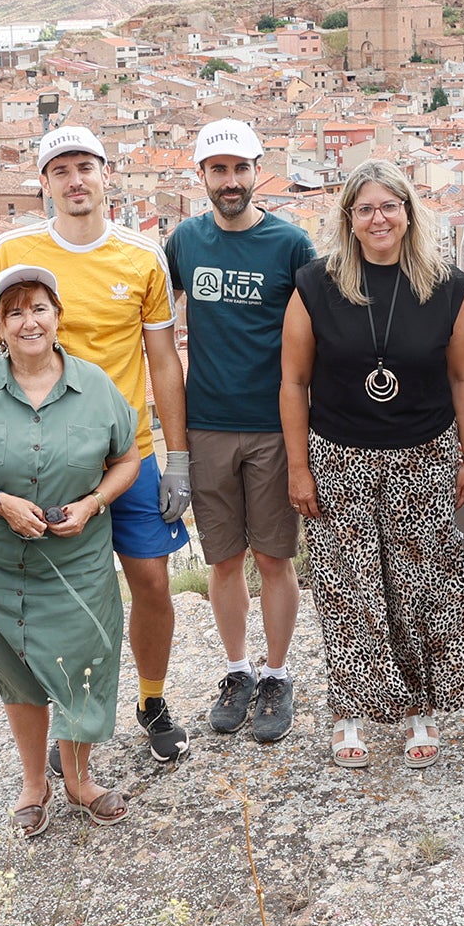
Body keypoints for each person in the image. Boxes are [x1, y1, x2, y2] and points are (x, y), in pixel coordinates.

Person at [0, 125, 193, 766]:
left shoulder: (141, 256)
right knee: (60, 604)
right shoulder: (13, 250)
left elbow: (162, 359)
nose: (74, 181)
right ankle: (63, 736)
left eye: (85, 167)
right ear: (43, 183)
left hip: (130, 451)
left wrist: (175, 459)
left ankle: (151, 701)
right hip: (46, 457)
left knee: (150, 582)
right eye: (60, 170)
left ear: (104, 175)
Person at [280, 159, 464, 770]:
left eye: (389, 206)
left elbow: (463, 374)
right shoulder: (316, 284)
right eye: (364, 208)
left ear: (409, 213)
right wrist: (297, 467)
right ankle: (351, 709)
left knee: (421, 584)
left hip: (424, 454)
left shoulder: (449, 286)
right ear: (348, 218)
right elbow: (293, 381)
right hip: (339, 455)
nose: (378, 219)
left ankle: (418, 703)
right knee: (347, 587)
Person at [0, 265, 145, 838]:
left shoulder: (95, 385)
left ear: (58, 316)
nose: (29, 321)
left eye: (39, 309)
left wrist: (95, 503)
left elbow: (127, 458)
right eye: (14, 312)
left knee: (83, 660)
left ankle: (78, 780)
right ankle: (35, 783)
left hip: (74, 555)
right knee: (18, 670)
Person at [164, 118, 317, 744]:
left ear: (259, 170)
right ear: (201, 176)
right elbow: (151, 324)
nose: (231, 182)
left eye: (240, 169)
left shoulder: (291, 245)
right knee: (224, 561)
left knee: (274, 558)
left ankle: (277, 674)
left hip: (275, 428)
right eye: (218, 170)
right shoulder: (184, 242)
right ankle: (236, 669)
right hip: (207, 425)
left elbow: (316, 337)